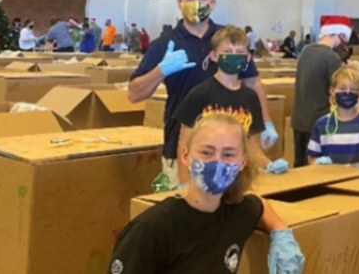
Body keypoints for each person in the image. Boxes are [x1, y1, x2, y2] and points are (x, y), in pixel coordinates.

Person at [108, 112, 304, 274]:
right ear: (186, 157)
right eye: (207, 152)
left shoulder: (236, 213)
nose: (217, 162)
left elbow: (259, 205)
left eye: (228, 154)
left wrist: (280, 231)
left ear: (242, 162)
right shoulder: (152, 229)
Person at [128, 0, 277, 189]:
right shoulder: (164, 45)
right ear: (179, 2)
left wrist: (267, 123)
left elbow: (253, 82)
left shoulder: (228, 40)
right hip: (182, 147)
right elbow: (134, 94)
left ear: (213, 3)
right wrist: (161, 69)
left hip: (229, 151)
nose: (196, 4)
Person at [172, 26, 288, 179]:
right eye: (227, 52)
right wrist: (184, 182)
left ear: (248, 58)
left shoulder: (250, 98)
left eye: (239, 52)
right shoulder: (199, 95)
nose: (234, 57)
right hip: (205, 175)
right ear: (214, 56)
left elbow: (251, 146)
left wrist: (268, 164)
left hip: (238, 176)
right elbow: (184, 144)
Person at [307, 64, 359, 177]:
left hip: (357, 179)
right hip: (329, 178)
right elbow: (311, 157)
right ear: (332, 90)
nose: (347, 93)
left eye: (353, 90)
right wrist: (316, 163)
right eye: (342, 88)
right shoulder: (322, 124)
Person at [290, 16, 348, 168]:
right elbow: (338, 90)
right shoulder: (332, 57)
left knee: (299, 167)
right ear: (341, 35)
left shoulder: (306, 51)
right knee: (315, 171)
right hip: (318, 122)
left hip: (298, 119)